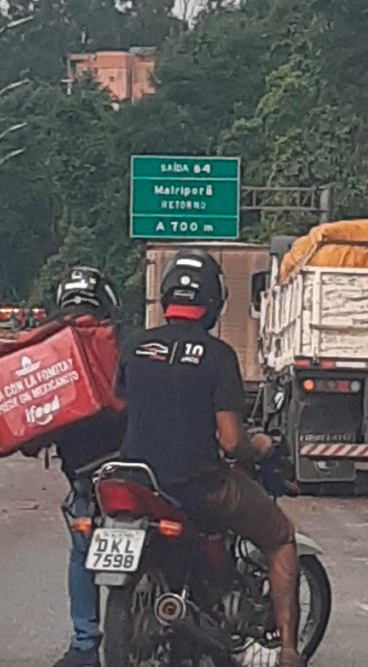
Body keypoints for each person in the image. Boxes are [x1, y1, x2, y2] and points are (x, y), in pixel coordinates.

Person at [115, 249, 303, 667]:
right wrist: (262, 446)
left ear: (166, 297)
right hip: (198, 484)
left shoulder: (134, 347)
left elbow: (122, 410)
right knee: (281, 537)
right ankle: (289, 651)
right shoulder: (218, 356)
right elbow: (233, 441)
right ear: (215, 302)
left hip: (139, 482)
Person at [44, 267, 125, 667]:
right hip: (127, 463)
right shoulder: (119, 340)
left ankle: (83, 641)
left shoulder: (47, 344)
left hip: (81, 473)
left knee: (81, 552)